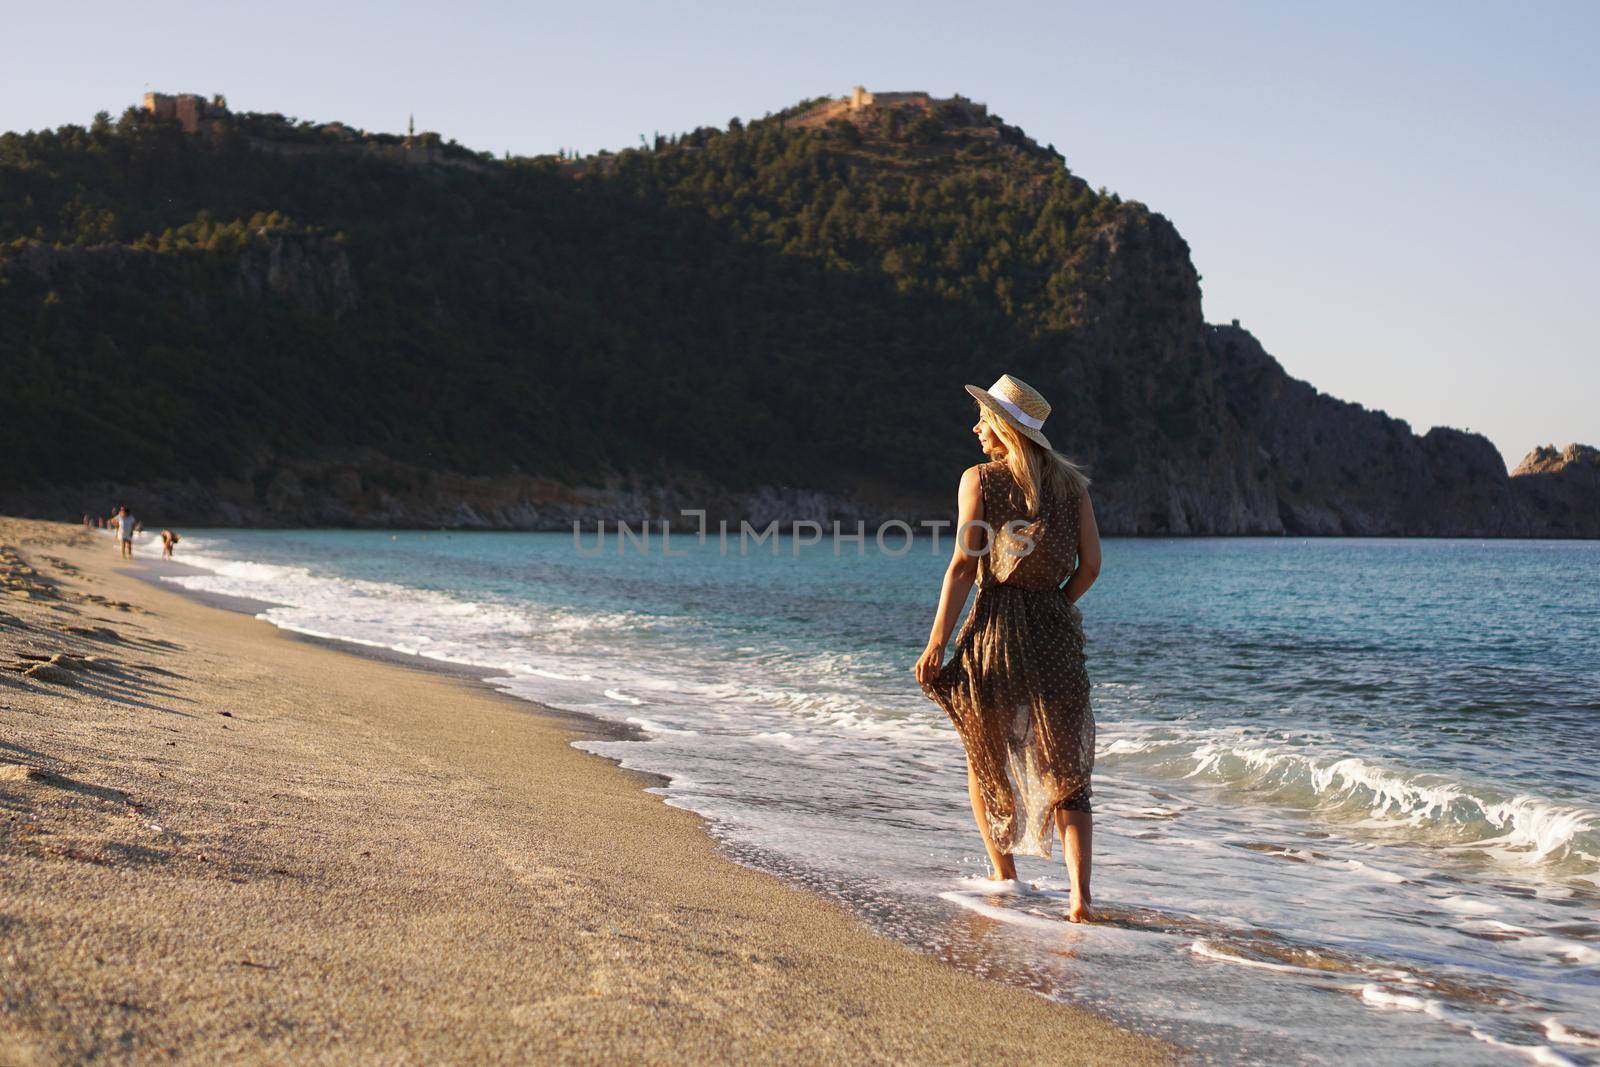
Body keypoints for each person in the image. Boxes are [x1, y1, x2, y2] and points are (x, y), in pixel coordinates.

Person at [914, 374, 1102, 922]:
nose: (975, 427)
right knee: (1067, 766)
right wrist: (1056, 603)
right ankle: (1080, 897)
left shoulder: (980, 479)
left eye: (984, 418)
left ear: (1003, 428)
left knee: (984, 748)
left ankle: (1005, 875)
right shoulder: (1074, 488)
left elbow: (962, 565)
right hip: (1055, 629)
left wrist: (936, 644)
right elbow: (1091, 566)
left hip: (994, 626)